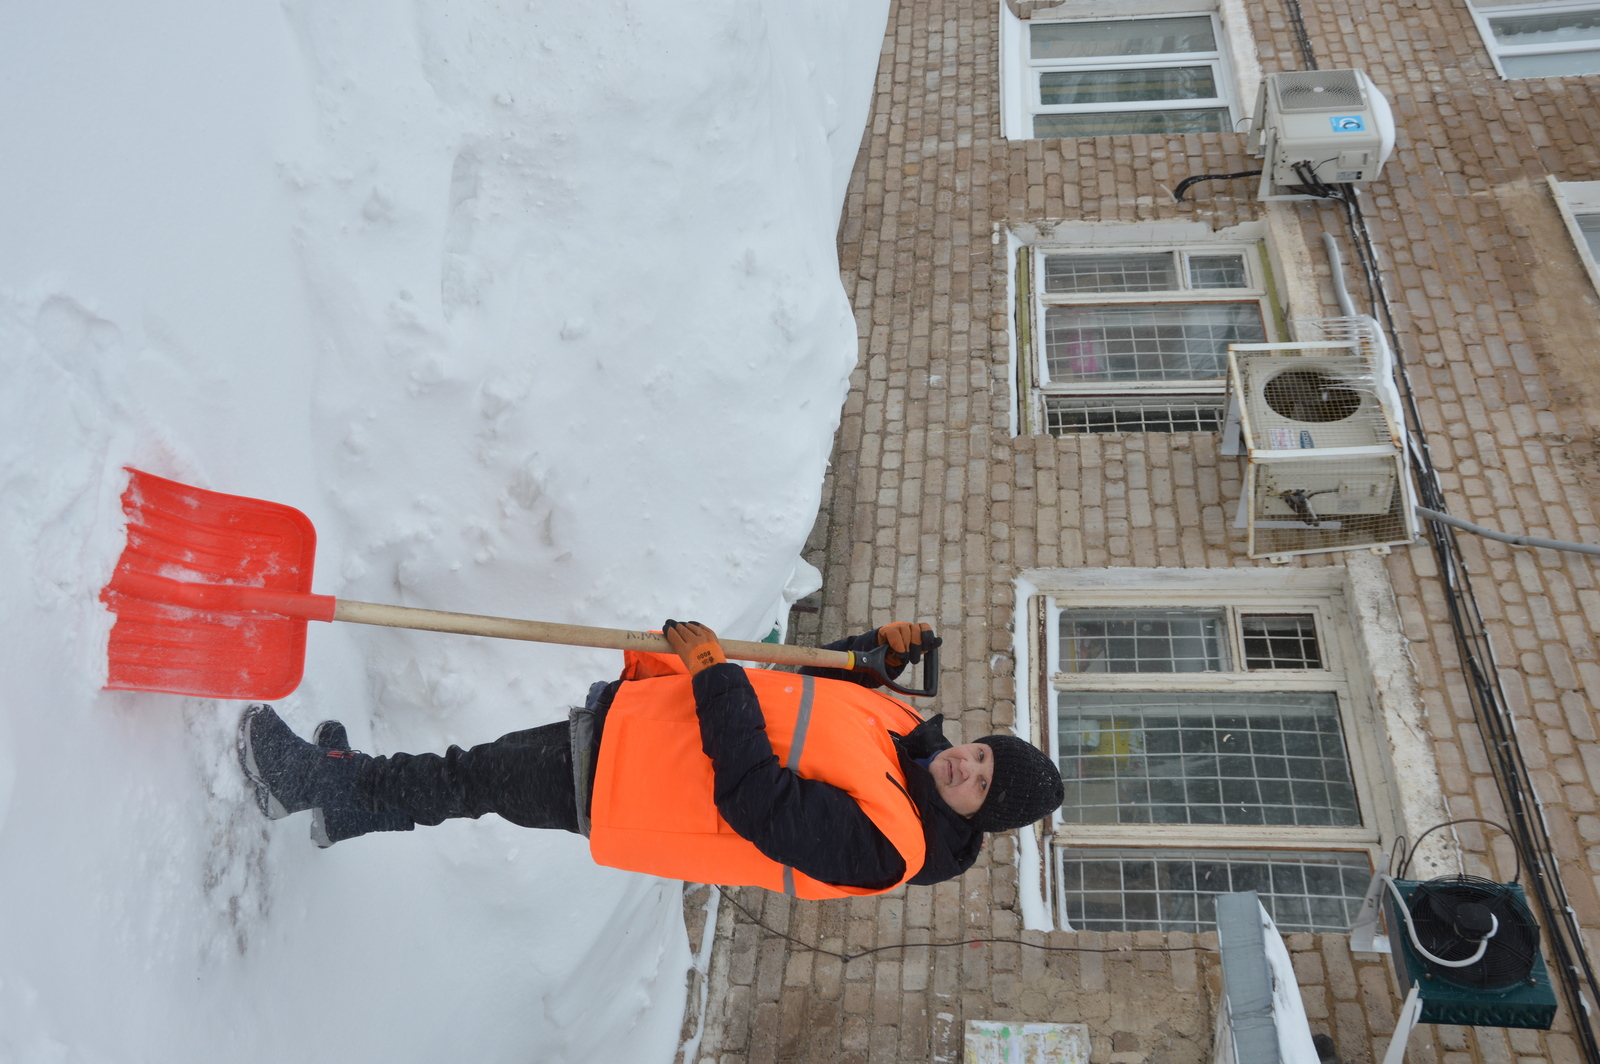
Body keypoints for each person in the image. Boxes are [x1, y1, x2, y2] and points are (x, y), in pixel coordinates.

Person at [239, 620, 1064, 897]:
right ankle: (348, 800)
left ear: (979, 819)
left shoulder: (894, 849)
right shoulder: (906, 737)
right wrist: (868, 659)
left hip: (636, 787)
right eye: (982, 755)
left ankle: (310, 785)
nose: (967, 768)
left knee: (465, 776)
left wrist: (716, 681)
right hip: (645, 732)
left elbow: (759, 800)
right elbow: (807, 701)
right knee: (470, 774)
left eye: (981, 785)